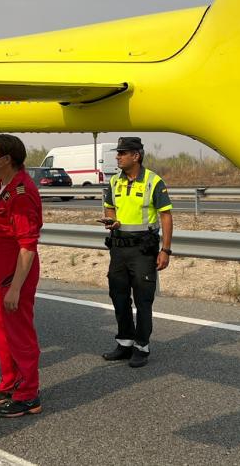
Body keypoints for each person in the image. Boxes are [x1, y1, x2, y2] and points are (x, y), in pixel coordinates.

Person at [99, 137, 174, 368]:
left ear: (136, 156)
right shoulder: (114, 182)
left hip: (143, 251)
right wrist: (111, 222)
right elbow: (109, 207)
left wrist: (166, 250)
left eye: (122, 153)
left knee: (143, 300)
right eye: (118, 153)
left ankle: (142, 347)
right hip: (119, 250)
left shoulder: (154, 181)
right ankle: (125, 343)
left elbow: (166, 216)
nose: (117, 157)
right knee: (119, 297)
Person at [0, 134, 43, 418]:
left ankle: (28, 394)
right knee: (2, 333)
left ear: (6, 159)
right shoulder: (4, 186)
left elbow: (27, 246)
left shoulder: (21, 193)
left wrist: (16, 288)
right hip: (5, 275)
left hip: (16, 277)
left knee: (20, 335)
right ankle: (10, 382)